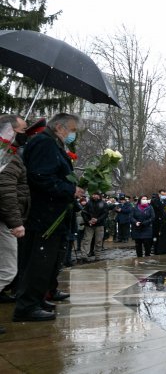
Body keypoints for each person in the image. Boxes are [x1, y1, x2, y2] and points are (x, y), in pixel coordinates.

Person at [15, 113, 83, 322]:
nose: (73, 135)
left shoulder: (52, 143)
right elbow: (41, 177)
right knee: (38, 260)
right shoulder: (44, 143)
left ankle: (36, 299)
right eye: (72, 130)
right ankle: (26, 306)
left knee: (46, 262)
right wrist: (69, 190)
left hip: (51, 214)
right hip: (44, 215)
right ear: (60, 127)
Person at [0, 115, 29, 330]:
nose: (24, 134)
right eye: (22, 129)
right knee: (7, 270)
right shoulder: (6, 155)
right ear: (10, 131)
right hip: (4, 221)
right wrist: (15, 223)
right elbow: (7, 191)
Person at [81, 191, 108, 262]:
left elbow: (105, 214)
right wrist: (88, 220)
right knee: (86, 240)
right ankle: (84, 255)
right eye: (93, 194)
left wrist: (97, 220)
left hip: (99, 225)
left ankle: (97, 256)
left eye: (95, 194)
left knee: (98, 241)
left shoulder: (103, 203)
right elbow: (84, 213)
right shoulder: (89, 203)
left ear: (99, 195)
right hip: (89, 225)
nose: (94, 196)